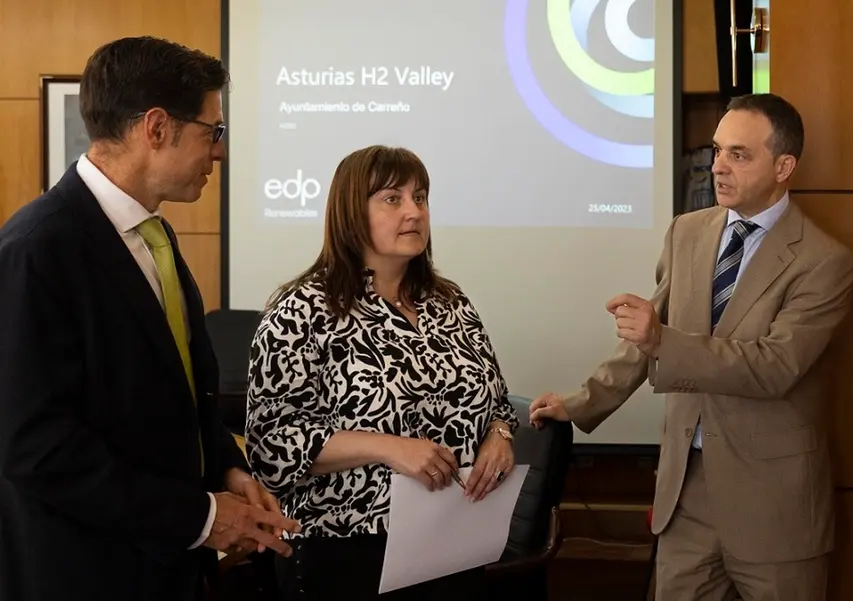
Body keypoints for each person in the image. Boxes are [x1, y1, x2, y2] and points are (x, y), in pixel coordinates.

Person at [0, 36, 300, 601]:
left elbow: (183, 395)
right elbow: (35, 448)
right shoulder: (36, 249)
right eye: (214, 132)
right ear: (157, 128)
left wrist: (228, 472)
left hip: (166, 570)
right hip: (85, 572)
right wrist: (203, 517)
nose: (221, 152)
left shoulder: (153, 236)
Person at [528, 93, 853, 601]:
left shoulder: (824, 260)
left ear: (784, 166)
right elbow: (647, 339)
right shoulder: (687, 231)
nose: (718, 167)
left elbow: (775, 367)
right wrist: (580, 402)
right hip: (687, 494)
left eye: (739, 155)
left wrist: (662, 338)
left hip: (774, 504)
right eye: (717, 150)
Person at [245, 145, 519, 601]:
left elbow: (496, 402)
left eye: (421, 197)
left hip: (455, 542)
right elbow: (272, 444)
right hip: (349, 551)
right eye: (392, 199)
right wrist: (389, 448)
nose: (413, 211)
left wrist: (500, 435)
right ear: (352, 212)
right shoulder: (303, 310)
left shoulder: (449, 302)